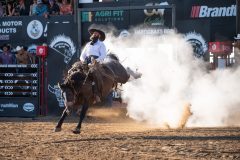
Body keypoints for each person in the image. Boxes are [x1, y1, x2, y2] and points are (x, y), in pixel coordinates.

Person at [80, 27, 107, 103]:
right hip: (86, 61)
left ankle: (96, 94)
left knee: (94, 74)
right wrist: (83, 61)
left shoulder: (101, 44)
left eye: (96, 33)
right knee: (76, 71)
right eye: (94, 33)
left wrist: (96, 61)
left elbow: (103, 55)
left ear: (99, 35)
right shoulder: (88, 44)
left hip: (96, 62)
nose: (94, 34)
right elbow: (82, 55)